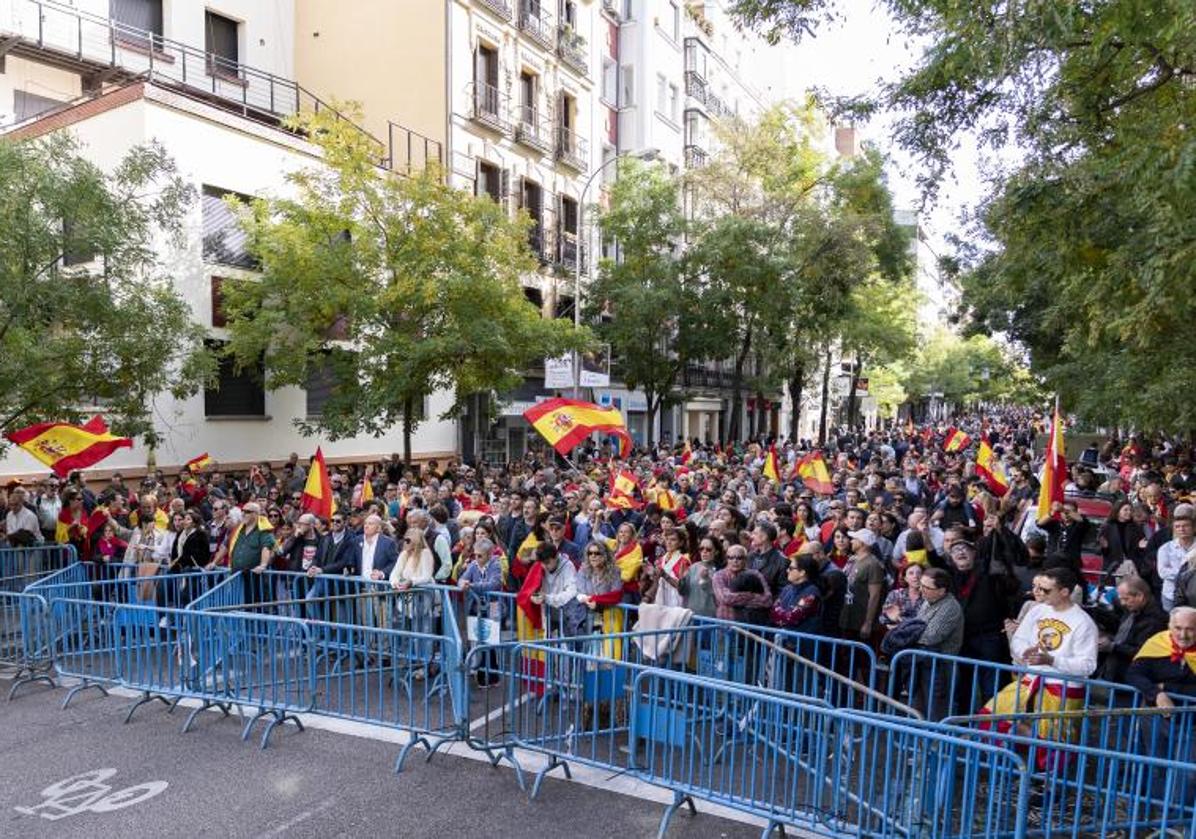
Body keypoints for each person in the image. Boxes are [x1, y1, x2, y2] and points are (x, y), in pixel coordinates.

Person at [1126, 607, 1196, 805]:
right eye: (1178, 628)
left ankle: (1178, 820)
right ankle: (1153, 817)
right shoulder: (1157, 643)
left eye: (1190, 629)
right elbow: (1134, 674)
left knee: (1188, 773)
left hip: (1192, 723)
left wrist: (1169, 687)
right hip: (1155, 717)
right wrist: (1156, 693)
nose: (1183, 634)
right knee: (1156, 767)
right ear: (1169, 627)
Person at [908, 567, 965, 721]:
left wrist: (905, 632)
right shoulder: (928, 601)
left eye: (927, 587)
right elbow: (916, 626)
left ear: (942, 590)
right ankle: (918, 743)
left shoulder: (950, 607)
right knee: (917, 708)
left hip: (940, 667)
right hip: (924, 663)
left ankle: (935, 744)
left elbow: (929, 636)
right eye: (921, 585)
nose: (921, 590)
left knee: (936, 712)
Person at [1098, 576, 1168, 684]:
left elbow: (1142, 651)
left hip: (1132, 677)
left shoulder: (1155, 621)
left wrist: (1112, 647)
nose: (1122, 603)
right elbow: (1122, 632)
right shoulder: (1133, 609)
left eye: (1126, 599)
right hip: (1117, 672)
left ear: (1140, 596)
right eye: (1121, 599)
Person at [840, 529, 886, 647]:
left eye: (855, 539)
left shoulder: (873, 564)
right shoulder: (853, 559)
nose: (851, 541)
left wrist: (868, 623)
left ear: (862, 543)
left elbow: (874, 595)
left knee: (859, 658)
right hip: (848, 616)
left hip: (860, 621)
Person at [712, 546, 772, 622]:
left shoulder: (755, 574)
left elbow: (767, 600)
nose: (735, 561)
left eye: (739, 558)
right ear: (727, 559)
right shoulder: (719, 575)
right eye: (731, 558)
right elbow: (725, 598)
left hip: (750, 625)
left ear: (745, 559)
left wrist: (736, 599)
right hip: (727, 625)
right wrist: (751, 596)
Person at [770, 555, 823, 635]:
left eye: (791, 568)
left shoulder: (812, 592)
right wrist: (783, 615)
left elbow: (793, 617)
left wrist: (780, 615)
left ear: (802, 572)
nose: (787, 570)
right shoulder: (787, 588)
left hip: (799, 643)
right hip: (782, 638)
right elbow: (773, 611)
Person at [1155, 504, 1195, 610]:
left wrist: (1178, 574)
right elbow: (1163, 572)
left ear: (1193, 528)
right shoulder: (1166, 548)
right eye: (1177, 526)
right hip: (1170, 595)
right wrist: (1189, 574)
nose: (1181, 529)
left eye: (1185, 526)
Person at [676, 535, 722, 618]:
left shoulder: (720, 571)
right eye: (701, 549)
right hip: (691, 615)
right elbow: (682, 592)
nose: (704, 552)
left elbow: (717, 595)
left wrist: (706, 580)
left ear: (716, 552)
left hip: (710, 618)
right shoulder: (693, 567)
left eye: (708, 549)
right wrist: (681, 579)